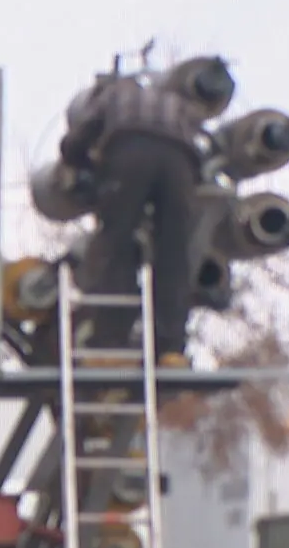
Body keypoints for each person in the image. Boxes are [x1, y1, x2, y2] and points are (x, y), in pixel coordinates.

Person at [60, 67, 210, 366]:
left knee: (116, 243)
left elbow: (78, 139)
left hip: (130, 153)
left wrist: (82, 164)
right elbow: (204, 145)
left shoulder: (112, 95)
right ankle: (171, 348)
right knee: (174, 255)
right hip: (180, 165)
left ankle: (109, 340)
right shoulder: (176, 102)